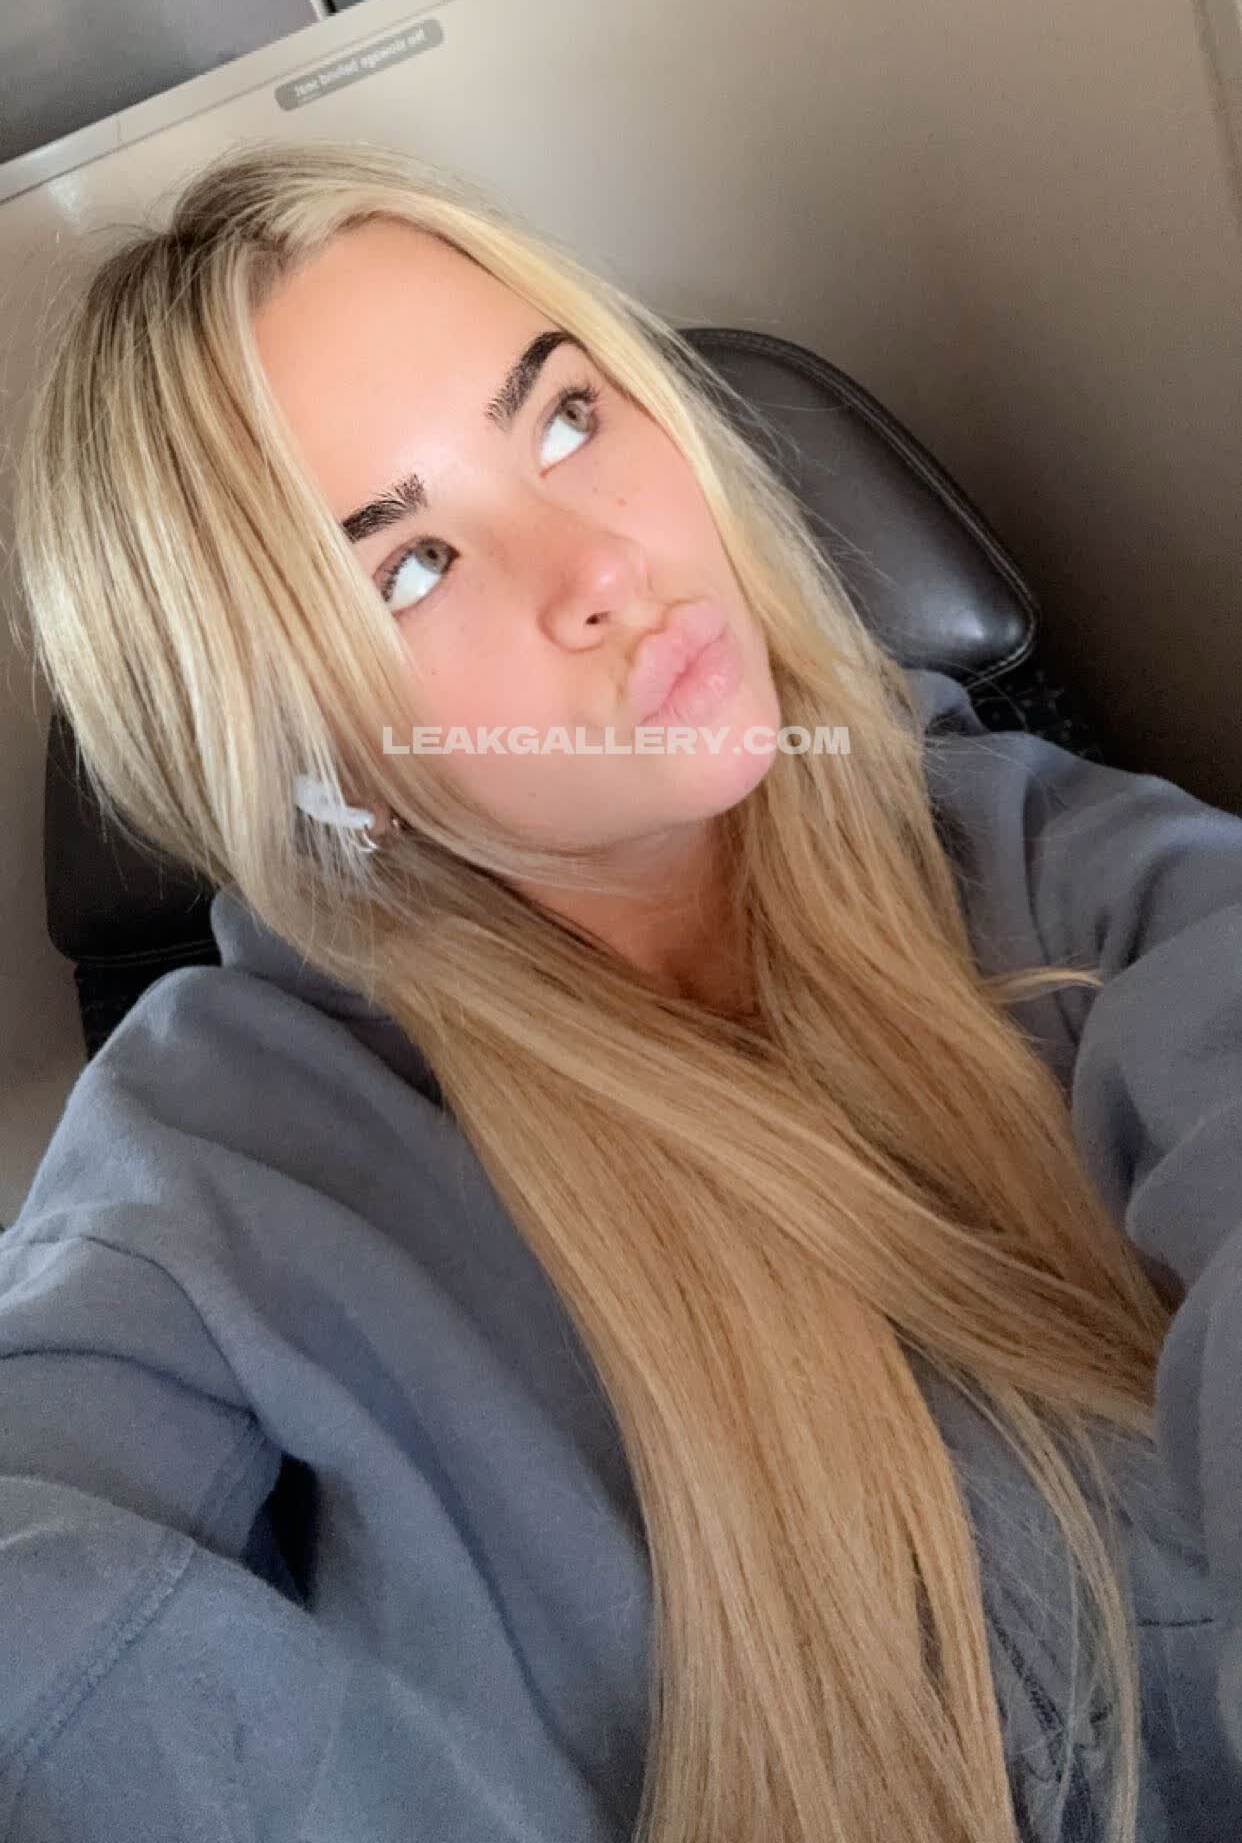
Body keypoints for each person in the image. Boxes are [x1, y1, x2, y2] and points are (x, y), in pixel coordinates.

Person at [3, 139, 1241, 1843]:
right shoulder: (219, 1162)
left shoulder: (1062, 869)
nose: (598, 568)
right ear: (307, 754)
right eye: (408, 565)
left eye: (565, 416)